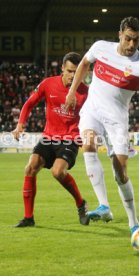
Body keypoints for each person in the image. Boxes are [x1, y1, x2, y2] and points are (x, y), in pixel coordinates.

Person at [64, 17, 139, 234]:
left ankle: (133, 222)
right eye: (128, 39)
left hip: (117, 121)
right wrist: (71, 92)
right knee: (88, 144)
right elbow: (84, 64)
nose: (132, 45)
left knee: (120, 170)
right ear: (120, 34)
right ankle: (104, 206)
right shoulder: (100, 48)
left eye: (136, 40)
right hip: (93, 110)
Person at [12, 52, 90, 227]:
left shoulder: (86, 93)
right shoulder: (48, 84)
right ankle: (28, 218)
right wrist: (20, 124)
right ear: (62, 68)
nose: (72, 76)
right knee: (30, 167)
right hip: (49, 137)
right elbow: (29, 103)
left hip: (70, 139)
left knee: (57, 172)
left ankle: (80, 203)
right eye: (69, 71)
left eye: (76, 72)